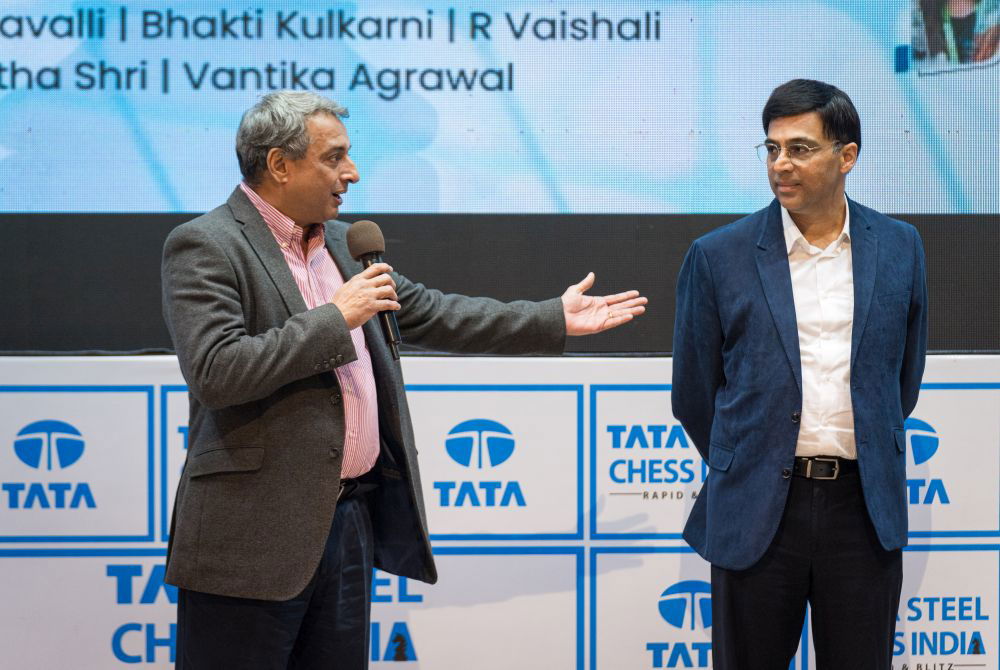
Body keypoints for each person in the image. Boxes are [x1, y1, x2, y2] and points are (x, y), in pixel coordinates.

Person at [161, 90, 647, 669]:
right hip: (251, 537)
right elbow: (217, 370)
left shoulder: (342, 245)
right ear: (279, 164)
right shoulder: (206, 244)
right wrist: (336, 318)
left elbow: (436, 313)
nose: (352, 172)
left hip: (347, 521)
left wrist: (550, 317)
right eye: (334, 157)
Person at [672, 79, 927, 668]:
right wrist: (752, 457)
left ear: (847, 155)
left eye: (800, 148)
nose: (780, 164)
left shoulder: (900, 247)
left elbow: (902, 382)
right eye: (772, 148)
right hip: (756, 510)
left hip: (863, 512)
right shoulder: (718, 255)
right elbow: (694, 394)